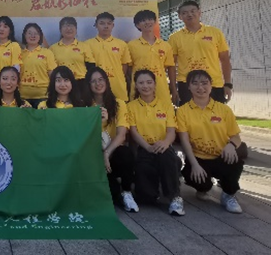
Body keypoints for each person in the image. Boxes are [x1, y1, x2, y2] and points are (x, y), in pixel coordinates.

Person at [177, 70, 244, 213]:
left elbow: (236, 137)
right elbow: (184, 141)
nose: (200, 87)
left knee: (237, 157)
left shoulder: (224, 109)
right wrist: (194, 164)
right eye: (195, 83)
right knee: (191, 175)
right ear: (188, 87)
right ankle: (203, 188)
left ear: (211, 85)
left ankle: (228, 194)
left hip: (221, 156)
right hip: (199, 158)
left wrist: (231, 145)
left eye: (204, 83)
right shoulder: (182, 111)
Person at [128, 70, 184, 216]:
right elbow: (133, 131)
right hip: (144, 148)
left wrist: (165, 143)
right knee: (146, 198)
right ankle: (156, 187)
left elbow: (171, 131)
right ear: (136, 86)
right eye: (141, 83)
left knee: (167, 157)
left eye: (149, 82)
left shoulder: (166, 105)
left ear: (155, 84)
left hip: (163, 147)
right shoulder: (131, 106)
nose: (145, 86)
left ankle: (174, 197)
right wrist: (147, 147)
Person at [83, 67, 137, 212]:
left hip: (113, 153)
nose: (98, 84)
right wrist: (101, 123)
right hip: (94, 156)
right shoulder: (85, 106)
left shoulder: (119, 104)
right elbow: (84, 136)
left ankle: (127, 191)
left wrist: (106, 153)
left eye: (101, 79)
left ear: (106, 81)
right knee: (111, 194)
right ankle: (115, 189)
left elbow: (121, 135)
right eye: (93, 81)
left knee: (125, 153)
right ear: (88, 85)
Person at [169, 1, 232, 105]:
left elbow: (225, 59)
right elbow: (171, 65)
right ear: (180, 17)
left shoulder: (215, 32)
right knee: (189, 115)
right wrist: (174, 89)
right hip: (186, 85)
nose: (189, 14)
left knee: (216, 114)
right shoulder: (174, 38)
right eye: (184, 13)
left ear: (199, 12)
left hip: (214, 83)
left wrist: (228, 84)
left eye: (193, 11)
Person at [127, 10, 176, 102]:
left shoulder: (165, 45)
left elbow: (170, 68)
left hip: (161, 89)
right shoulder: (131, 45)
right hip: (140, 90)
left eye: (150, 19)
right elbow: (128, 70)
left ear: (155, 22)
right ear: (137, 25)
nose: (147, 22)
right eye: (143, 20)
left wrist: (174, 90)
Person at [85, 12, 131, 102]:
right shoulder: (87, 45)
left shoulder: (122, 44)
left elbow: (124, 65)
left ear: (113, 25)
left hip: (117, 87)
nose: (106, 26)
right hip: (97, 88)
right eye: (102, 23)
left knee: (120, 109)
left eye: (109, 23)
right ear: (96, 25)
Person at [49, 17, 95, 93]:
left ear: (76, 29)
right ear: (60, 30)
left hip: (81, 83)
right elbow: (51, 70)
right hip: (62, 84)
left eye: (71, 26)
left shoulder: (84, 46)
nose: (68, 28)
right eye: (65, 26)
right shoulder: (52, 48)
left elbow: (91, 67)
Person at [20, 23, 57, 107]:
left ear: (40, 36)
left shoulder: (47, 53)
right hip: (23, 97)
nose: (32, 36)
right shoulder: (19, 53)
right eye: (29, 33)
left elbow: (52, 74)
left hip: (43, 96)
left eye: (36, 33)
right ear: (24, 35)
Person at [0, 16, 22, 94]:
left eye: (5, 27)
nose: (1, 29)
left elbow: (16, 68)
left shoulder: (14, 46)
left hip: (9, 89)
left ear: (10, 31)